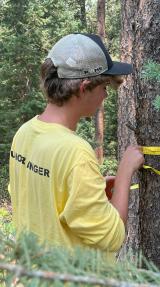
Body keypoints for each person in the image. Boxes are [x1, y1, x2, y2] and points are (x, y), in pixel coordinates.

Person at [9, 33, 144, 255]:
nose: (105, 96)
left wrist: (89, 186)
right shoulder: (76, 153)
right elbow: (112, 237)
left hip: (34, 273)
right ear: (84, 87)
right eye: (104, 87)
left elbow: (39, 193)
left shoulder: (24, 133)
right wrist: (124, 174)